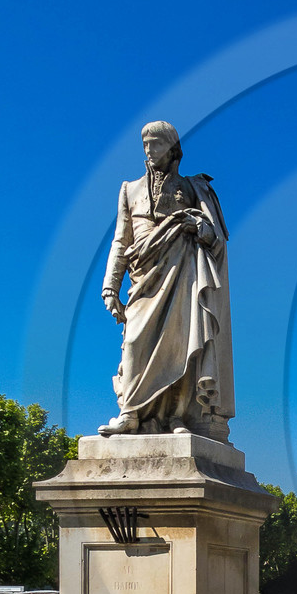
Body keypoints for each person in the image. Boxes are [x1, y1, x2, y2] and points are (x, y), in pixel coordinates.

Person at [97, 120, 234, 440]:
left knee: (180, 346)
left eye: (156, 143)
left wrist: (196, 226)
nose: (149, 150)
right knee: (134, 342)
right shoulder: (129, 189)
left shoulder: (192, 187)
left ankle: (175, 415)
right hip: (143, 275)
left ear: (172, 149)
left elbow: (215, 237)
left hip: (181, 272)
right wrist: (110, 286)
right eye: (145, 144)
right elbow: (121, 240)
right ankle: (130, 413)